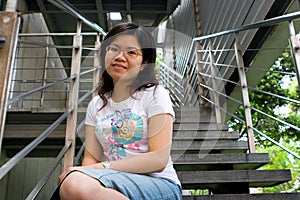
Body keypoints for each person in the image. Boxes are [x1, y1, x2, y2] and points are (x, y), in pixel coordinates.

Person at [51, 22, 182, 200]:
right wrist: (88, 170)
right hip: (111, 183)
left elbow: (158, 160)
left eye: (131, 52)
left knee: (74, 184)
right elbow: (91, 158)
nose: (120, 57)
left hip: (158, 184)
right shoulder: (96, 105)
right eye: (113, 49)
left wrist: (102, 168)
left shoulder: (155, 95)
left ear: (144, 63)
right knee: (73, 184)